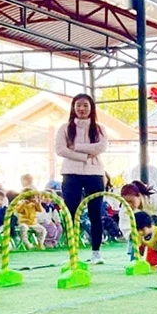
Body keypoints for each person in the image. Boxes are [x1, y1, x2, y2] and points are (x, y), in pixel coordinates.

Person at [56, 94, 108, 264]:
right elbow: (61, 150)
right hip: (71, 174)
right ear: (73, 107)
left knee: (95, 213)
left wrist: (77, 147)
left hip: (95, 174)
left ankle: (96, 252)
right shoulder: (64, 128)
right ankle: (72, 252)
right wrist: (86, 156)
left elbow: (101, 147)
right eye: (78, 105)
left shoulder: (99, 128)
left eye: (85, 105)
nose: (82, 109)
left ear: (91, 108)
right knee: (71, 213)